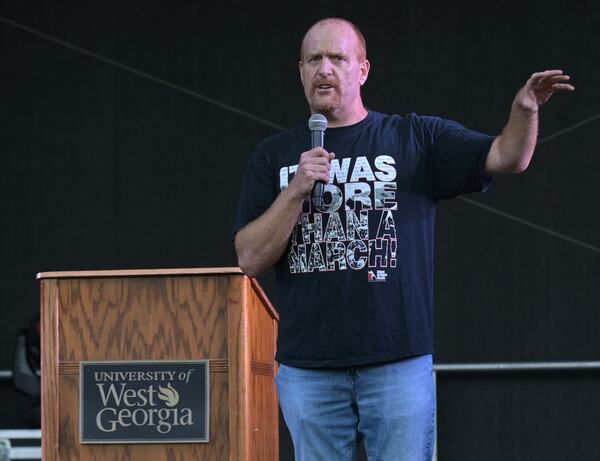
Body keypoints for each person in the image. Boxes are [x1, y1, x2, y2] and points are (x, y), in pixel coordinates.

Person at [232, 17, 573, 461]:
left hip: (395, 362)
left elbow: (508, 157)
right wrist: (296, 190)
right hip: (308, 369)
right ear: (300, 71)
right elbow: (249, 258)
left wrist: (525, 110)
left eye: (337, 57)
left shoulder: (413, 137)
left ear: (363, 70)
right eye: (313, 59)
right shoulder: (274, 156)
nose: (325, 69)